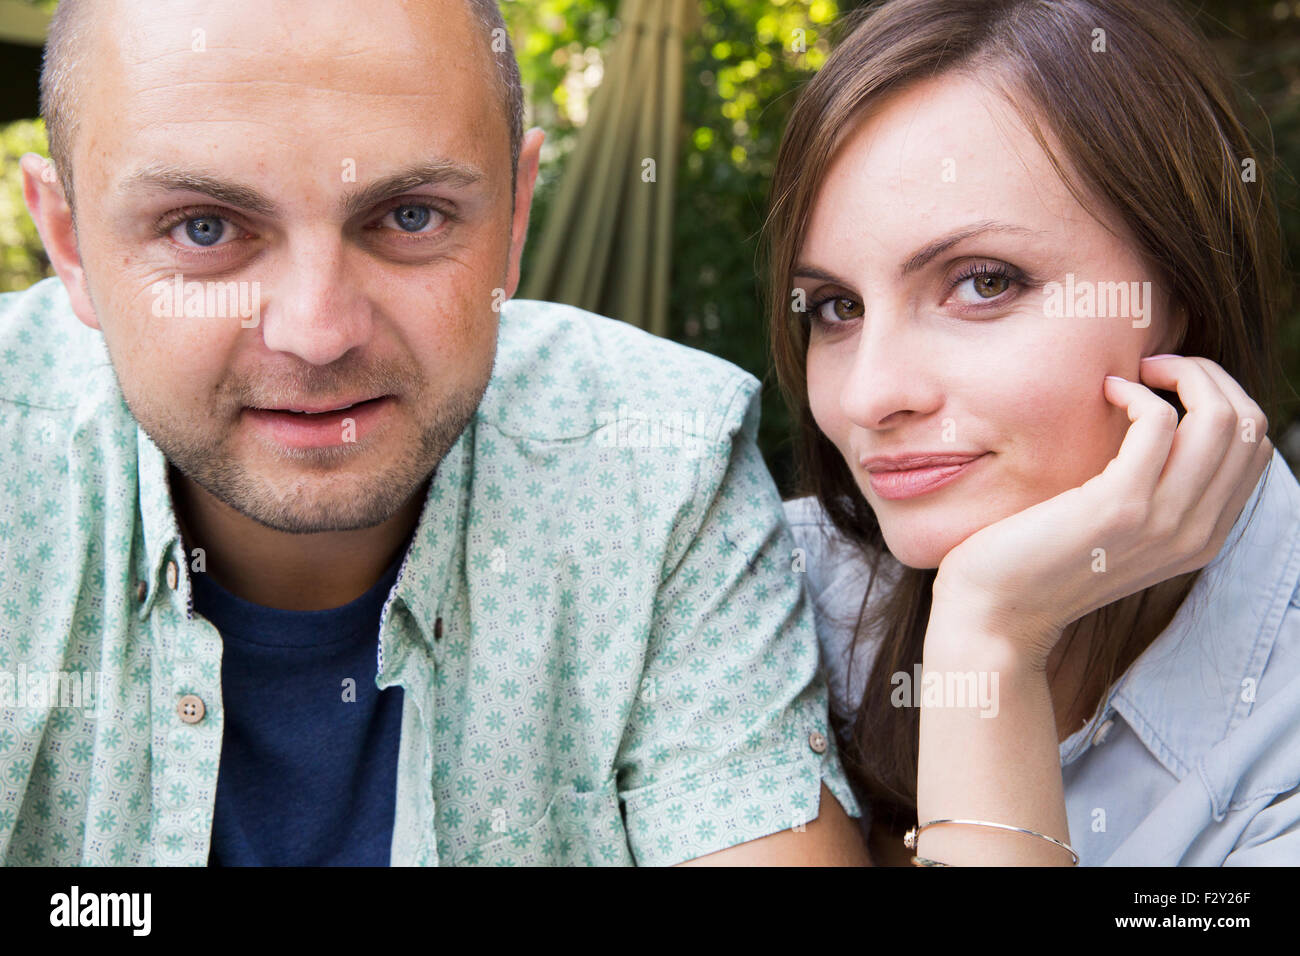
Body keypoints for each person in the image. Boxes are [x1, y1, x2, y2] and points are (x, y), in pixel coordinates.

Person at [0, 0, 867, 866]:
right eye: (205, 228)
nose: (318, 330)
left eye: (410, 215)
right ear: (68, 241)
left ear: (516, 215)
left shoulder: (661, 464)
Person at [768, 0, 1298, 864]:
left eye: (983, 283)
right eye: (837, 307)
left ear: (1178, 297)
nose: (869, 395)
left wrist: (989, 637)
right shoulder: (760, 596)